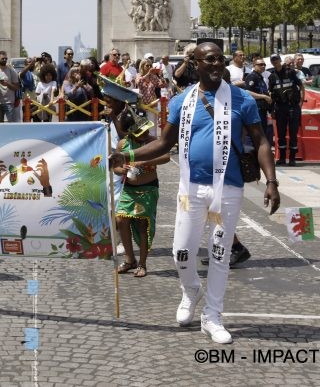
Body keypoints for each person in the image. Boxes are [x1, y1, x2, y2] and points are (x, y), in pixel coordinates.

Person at [110, 42, 280, 345]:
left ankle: (212, 316)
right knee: (181, 253)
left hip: (227, 190)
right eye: (210, 60)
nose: (216, 65)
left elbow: (261, 140)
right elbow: (163, 144)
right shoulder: (181, 101)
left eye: (220, 60)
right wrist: (128, 158)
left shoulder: (242, 100)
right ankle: (191, 291)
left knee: (219, 253)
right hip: (191, 189)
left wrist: (272, 182)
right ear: (196, 64)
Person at [107, 80, 168, 278]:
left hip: (148, 189)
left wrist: (142, 161)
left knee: (142, 225)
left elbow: (166, 156)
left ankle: (142, 263)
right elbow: (114, 166)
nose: (143, 136)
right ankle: (129, 259)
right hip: (129, 189)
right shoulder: (124, 143)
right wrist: (121, 169)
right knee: (120, 220)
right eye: (139, 133)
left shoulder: (152, 142)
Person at [268, 56, 303, 166]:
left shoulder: (290, 72)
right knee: (281, 134)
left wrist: (300, 103)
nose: (275, 62)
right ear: (271, 62)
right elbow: (271, 95)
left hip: (293, 106)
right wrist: (272, 110)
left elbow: (301, 86)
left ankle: (292, 158)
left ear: (279, 60)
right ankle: (282, 158)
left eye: (276, 59)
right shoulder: (272, 77)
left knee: (293, 133)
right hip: (280, 108)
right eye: (273, 60)